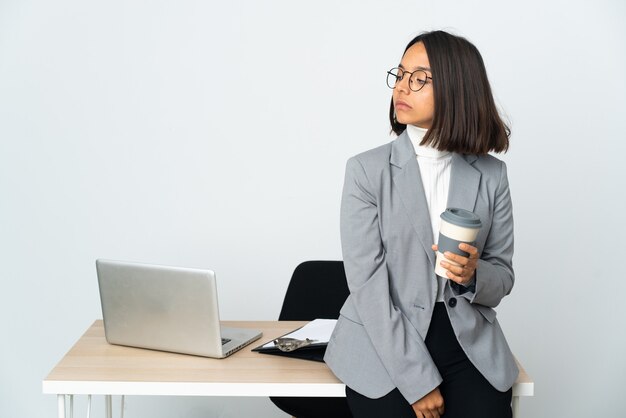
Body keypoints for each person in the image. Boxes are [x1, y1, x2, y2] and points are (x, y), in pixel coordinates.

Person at [324, 30, 519, 418]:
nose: (402, 87)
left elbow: (503, 276)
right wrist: (416, 380)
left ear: (455, 88)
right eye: (400, 74)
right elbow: (367, 282)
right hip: (384, 338)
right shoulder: (366, 170)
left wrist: (473, 274)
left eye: (419, 78)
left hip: (466, 340)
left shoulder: (491, 175)